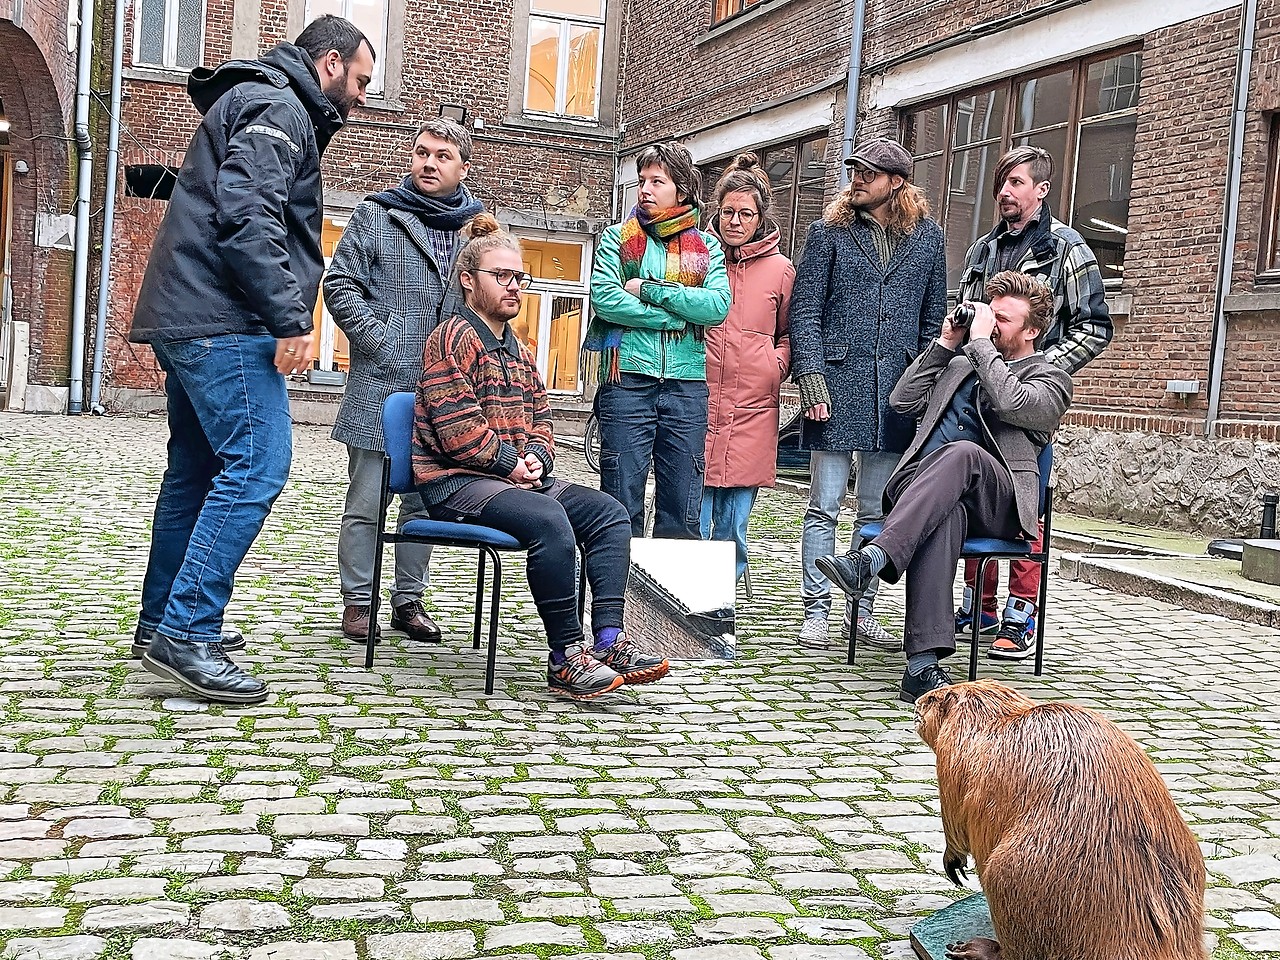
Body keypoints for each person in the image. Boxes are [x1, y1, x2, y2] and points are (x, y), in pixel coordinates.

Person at [127, 16, 374, 705]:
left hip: (190, 314)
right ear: (328, 63)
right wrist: (289, 317)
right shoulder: (279, 106)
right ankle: (187, 630)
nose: (359, 97)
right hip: (222, 320)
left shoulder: (259, 98)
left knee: (196, 474)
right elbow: (248, 215)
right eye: (359, 80)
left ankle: (159, 624)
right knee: (258, 465)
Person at [413, 214, 669, 699]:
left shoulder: (519, 347)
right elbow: (457, 431)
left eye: (519, 277)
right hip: (456, 483)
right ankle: (565, 657)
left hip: (515, 479)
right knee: (549, 517)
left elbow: (543, 418)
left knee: (608, 513)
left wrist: (537, 458)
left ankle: (610, 640)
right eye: (502, 277)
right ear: (469, 282)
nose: (514, 286)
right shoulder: (451, 339)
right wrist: (513, 464)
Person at [815, 272, 1072, 703]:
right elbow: (901, 401)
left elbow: (1010, 403)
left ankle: (875, 558)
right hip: (930, 497)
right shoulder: (958, 363)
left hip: (999, 500)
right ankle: (922, 668)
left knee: (961, 454)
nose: (990, 325)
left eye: (1002, 320)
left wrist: (981, 344)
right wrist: (945, 345)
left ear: (1031, 331)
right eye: (990, 315)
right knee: (944, 516)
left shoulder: (1050, 378)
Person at [325, 118, 483, 646]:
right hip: (381, 384)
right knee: (367, 499)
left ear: (462, 167)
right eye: (421, 153)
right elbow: (340, 285)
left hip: (444, 394)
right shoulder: (378, 216)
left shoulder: (473, 230)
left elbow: (487, 300)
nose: (429, 163)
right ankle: (358, 600)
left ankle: (407, 600)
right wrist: (385, 341)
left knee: (423, 500)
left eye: (442, 155)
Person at [954, 146, 1113, 659]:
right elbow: (967, 314)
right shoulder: (982, 250)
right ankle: (978, 605)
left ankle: (1021, 613)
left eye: (1017, 182)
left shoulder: (1067, 249)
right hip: (979, 395)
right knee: (975, 496)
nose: (1005, 191)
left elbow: (1095, 326)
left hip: (1028, 403)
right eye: (1001, 182)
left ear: (1041, 190)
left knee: (1025, 502)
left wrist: (1041, 377)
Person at [788, 137, 946, 652]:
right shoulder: (826, 233)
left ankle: (862, 610)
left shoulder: (928, 238)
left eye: (867, 173)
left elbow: (931, 321)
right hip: (834, 385)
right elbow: (805, 312)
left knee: (876, 511)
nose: (856, 179)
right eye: (853, 171)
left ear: (895, 183)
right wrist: (810, 380)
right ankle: (816, 611)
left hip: (896, 393)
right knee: (824, 505)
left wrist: (923, 385)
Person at [586, 142, 731, 539]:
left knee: (682, 505)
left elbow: (717, 306)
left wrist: (650, 290)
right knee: (619, 498)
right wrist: (673, 319)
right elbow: (606, 301)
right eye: (642, 181)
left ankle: (671, 600)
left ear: (681, 189)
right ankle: (615, 596)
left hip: (686, 385)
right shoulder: (616, 239)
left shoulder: (709, 246)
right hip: (627, 380)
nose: (645, 189)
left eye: (657, 181)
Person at [700, 153, 793, 583]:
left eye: (746, 213)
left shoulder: (781, 269)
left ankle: (729, 592)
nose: (736, 221)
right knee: (694, 510)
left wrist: (775, 366)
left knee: (736, 518)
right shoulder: (697, 258)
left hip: (754, 402)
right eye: (728, 212)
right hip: (699, 395)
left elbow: (790, 331)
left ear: (760, 217)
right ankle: (694, 589)